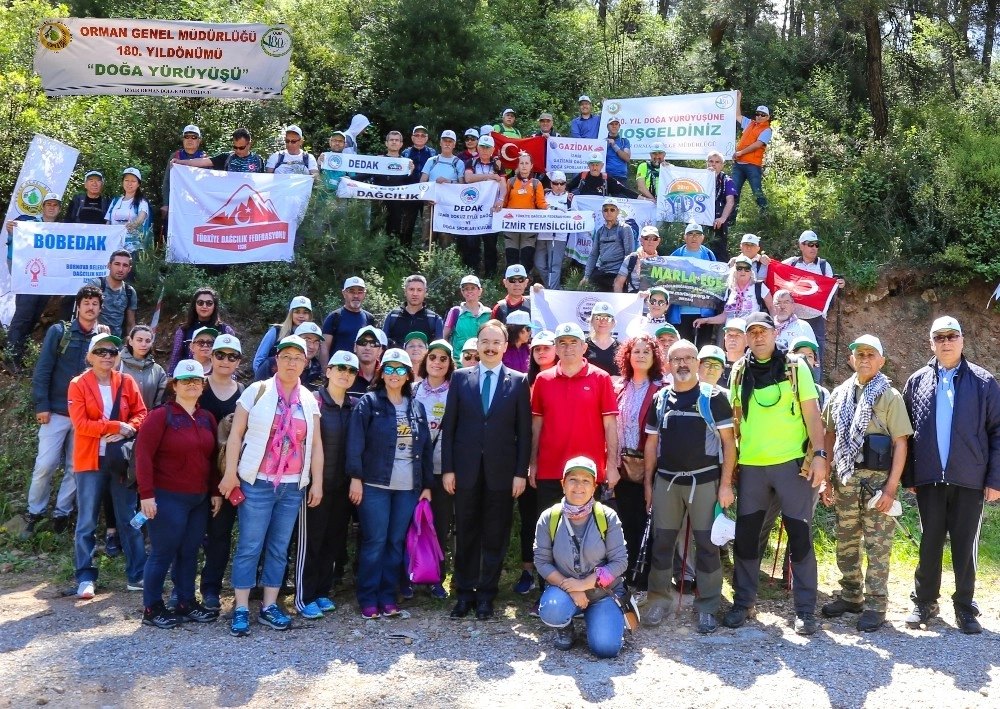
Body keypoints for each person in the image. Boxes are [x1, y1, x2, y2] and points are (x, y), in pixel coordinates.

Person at [722, 312, 828, 635]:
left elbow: (812, 415)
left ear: (774, 333)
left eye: (762, 331)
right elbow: (735, 421)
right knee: (746, 538)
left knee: (800, 537)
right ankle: (744, 602)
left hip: (792, 466)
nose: (757, 337)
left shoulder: (796, 368)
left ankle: (806, 611)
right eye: (751, 332)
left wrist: (820, 456)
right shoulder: (739, 372)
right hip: (752, 466)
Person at [219, 335, 324, 637]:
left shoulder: (309, 399)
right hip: (258, 482)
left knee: (279, 548)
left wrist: (316, 482)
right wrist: (230, 474)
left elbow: (315, 444)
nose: (292, 362)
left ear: (306, 363)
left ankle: (268, 605)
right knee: (251, 545)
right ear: (276, 360)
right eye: (286, 356)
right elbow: (236, 434)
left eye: (298, 358)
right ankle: (240, 608)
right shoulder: (257, 390)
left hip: (293, 486)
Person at [901, 316, 1000, 634]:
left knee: (965, 546)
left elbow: (997, 432)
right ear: (931, 343)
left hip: (970, 479)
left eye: (951, 336)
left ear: (962, 340)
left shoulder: (983, 382)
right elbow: (905, 435)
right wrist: (910, 477)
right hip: (929, 479)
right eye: (939, 337)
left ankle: (965, 607)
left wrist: (995, 479)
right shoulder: (916, 382)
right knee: (928, 543)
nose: (946, 342)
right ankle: (925, 601)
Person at [820, 335, 913, 632]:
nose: (864, 359)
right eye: (859, 354)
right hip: (846, 478)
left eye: (871, 354)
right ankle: (851, 596)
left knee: (878, 545)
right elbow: (829, 437)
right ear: (851, 359)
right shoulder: (839, 395)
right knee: (845, 541)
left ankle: (875, 605)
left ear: (881, 360)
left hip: (877, 482)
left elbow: (901, 444)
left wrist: (890, 489)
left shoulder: (890, 396)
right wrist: (828, 480)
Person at [643, 340, 736, 632]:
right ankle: (658, 600)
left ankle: (707, 605)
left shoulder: (714, 397)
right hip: (667, 482)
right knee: (662, 544)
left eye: (688, 358)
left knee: (708, 546)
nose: (682, 364)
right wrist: (648, 483)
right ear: (668, 365)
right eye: (676, 359)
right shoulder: (659, 399)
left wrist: (726, 485)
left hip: (705, 482)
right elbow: (651, 444)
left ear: (697, 362)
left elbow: (729, 445)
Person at [441, 320, 531, 620]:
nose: (490, 347)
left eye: (496, 342)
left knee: (495, 534)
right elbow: (449, 427)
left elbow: (525, 433)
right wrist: (448, 469)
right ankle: (464, 593)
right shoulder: (459, 378)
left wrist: (520, 472)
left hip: (502, 474)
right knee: (466, 533)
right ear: (477, 345)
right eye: (485, 342)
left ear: (505, 346)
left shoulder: (519, 381)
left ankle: (486, 596)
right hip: (465, 472)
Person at [346, 348, 433, 619]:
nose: (394, 374)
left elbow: (425, 449)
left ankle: (388, 596)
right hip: (374, 485)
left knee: (395, 542)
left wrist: (427, 485)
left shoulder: (416, 406)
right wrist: (356, 479)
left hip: (408, 488)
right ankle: (368, 597)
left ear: (408, 375)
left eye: (400, 370)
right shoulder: (369, 403)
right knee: (375, 541)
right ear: (382, 373)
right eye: (390, 369)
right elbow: (355, 443)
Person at [135, 359, 221, 628]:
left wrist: (215, 492)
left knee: (190, 551)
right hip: (166, 496)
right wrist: (146, 495)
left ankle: (185, 601)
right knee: (162, 552)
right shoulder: (161, 416)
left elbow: (212, 458)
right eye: (186, 380)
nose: (192, 384)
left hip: (197, 499)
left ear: (203, 385)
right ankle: (152, 607)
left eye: (197, 380)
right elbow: (143, 456)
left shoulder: (207, 418)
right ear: (175, 385)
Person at [22, 285, 106, 538]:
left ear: (100, 308)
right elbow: (43, 369)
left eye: (95, 304)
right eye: (86, 302)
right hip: (56, 411)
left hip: (86, 416)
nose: (90, 307)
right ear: (78, 305)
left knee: (74, 467)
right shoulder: (59, 332)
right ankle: (34, 512)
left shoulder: (102, 337)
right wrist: (42, 405)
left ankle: (62, 514)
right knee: (45, 465)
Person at [68, 333, 148, 598]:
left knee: (129, 518)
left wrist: (129, 430)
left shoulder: (126, 381)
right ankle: (85, 576)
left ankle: (137, 574)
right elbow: (81, 425)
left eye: (112, 351)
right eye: (100, 351)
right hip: (89, 460)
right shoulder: (78, 384)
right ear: (89, 356)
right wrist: (116, 426)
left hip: (120, 460)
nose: (107, 356)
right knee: (87, 520)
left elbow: (141, 414)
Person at [534, 456, 628, 657]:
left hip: (604, 593)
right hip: (565, 590)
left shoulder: (607, 517)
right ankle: (565, 627)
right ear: (563, 484)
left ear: (594, 487)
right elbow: (542, 562)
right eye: (573, 479)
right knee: (552, 609)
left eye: (586, 480)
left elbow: (620, 562)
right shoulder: (549, 518)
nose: (579, 486)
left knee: (606, 649)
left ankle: (604, 619)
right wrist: (573, 588)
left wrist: (585, 584)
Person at [530, 322, 619, 517]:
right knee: (549, 534)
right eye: (562, 343)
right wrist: (533, 463)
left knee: (588, 537)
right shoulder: (543, 380)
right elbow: (536, 425)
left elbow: (610, 425)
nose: (568, 347)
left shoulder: (601, 378)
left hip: (588, 472)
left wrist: (611, 466)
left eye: (573, 342)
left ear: (584, 347)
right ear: (556, 347)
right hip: (549, 470)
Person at [296, 350, 360, 619]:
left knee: (333, 541)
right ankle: (304, 596)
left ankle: (321, 591)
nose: (345, 374)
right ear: (328, 371)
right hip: (315, 486)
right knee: (311, 542)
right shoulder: (312, 401)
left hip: (343, 487)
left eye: (351, 370)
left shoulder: (356, 405)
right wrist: (314, 482)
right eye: (340, 368)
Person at [612, 334, 665, 605]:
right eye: (636, 351)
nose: (641, 355)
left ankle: (649, 579)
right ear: (627, 356)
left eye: (647, 351)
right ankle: (631, 574)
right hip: (623, 466)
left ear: (655, 357)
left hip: (652, 466)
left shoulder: (662, 388)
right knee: (629, 522)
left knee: (651, 522)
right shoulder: (617, 386)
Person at [197, 333, 245, 610]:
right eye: (220, 355)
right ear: (211, 356)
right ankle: (189, 588)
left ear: (239, 361)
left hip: (232, 475)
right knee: (195, 534)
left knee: (221, 534)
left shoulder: (245, 393)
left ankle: (214, 588)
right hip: (198, 471)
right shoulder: (197, 388)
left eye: (232, 356)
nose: (225, 361)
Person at [413, 339, 456, 598]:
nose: (437, 363)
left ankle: (436, 577)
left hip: (443, 468)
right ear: (425, 360)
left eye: (443, 358)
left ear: (450, 363)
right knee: (410, 522)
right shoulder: (413, 389)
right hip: (413, 468)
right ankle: (408, 574)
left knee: (439, 524)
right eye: (433, 357)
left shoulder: (458, 389)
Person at [5, 192, 64, 364]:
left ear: (59, 209)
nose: (52, 207)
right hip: (27, 280)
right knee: (23, 316)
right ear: (43, 207)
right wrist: (11, 233)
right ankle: (10, 357)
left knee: (34, 317)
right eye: (49, 204)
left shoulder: (62, 229)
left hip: (46, 283)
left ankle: (20, 355)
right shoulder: (28, 225)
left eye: (55, 205)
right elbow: (12, 250)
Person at [781, 230, 844, 372]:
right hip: (794, 319)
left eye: (816, 245)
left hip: (816, 319)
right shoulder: (791, 263)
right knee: (791, 353)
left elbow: (831, 288)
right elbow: (774, 268)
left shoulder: (823, 265)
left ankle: (817, 389)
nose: (814, 248)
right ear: (801, 246)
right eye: (810, 244)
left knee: (816, 356)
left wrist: (840, 284)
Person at [666, 222, 717, 348]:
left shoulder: (709, 256)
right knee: (681, 348)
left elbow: (717, 282)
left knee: (702, 349)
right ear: (684, 237)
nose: (694, 237)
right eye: (690, 234)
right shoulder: (675, 255)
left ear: (702, 237)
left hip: (704, 313)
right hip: (680, 313)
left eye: (697, 234)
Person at [462, 134, 506, 276]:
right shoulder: (471, 162)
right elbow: (468, 178)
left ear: (493, 149)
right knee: (471, 243)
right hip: (473, 211)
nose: (485, 150)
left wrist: (501, 199)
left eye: (488, 148)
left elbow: (503, 184)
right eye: (482, 147)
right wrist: (489, 177)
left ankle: (490, 275)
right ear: (478, 147)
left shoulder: (498, 164)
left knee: (490, 244)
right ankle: (472, 273)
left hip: (491, 210)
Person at [167, 287, 236, 376]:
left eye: (209, 303)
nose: (204, 306)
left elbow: (232, 358)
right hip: (188, 378)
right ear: (194, 305)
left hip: (218, 379)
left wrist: (232, 379)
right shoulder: (183, 330)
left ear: (214, 306)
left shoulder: (225, 330)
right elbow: (175, 359)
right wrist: (171, 380)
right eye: (200, 303)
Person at [693, 255, 772, 330]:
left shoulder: (759, 286)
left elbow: (772, 308)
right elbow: (725, 316)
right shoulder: (730, 290)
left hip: (750, 333)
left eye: (747, 268)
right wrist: (706, 320)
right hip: (731, 333)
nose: (743, 271)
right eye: (739, 268)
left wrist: (775, 326)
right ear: (734, 270)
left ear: (751, 272)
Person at [502, 153, 548, 268]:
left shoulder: (536, 183)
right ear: (518, 165)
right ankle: (510, 283)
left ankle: (526, 282)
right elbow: (504, 202)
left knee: (526, 257)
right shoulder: (510, 182)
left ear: (531, 165)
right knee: (511, 257)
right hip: (511, 225)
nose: (524, 166)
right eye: (521, 163)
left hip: (528, 226)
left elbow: (541, 203)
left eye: (527, 163)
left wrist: (553, 208)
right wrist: (495, 207)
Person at [730, 93, 772, 221]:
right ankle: (731, 221)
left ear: (768, 117)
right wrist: (738, 99)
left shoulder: (767, 130)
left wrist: (741, 153)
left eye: (763, 115)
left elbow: (758, 144)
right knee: (733, 193)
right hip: (739, 165)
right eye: (758, 114)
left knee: (757, 193)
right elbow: (737, 115)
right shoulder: (750, 123)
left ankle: (766, 219)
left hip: (753, 166)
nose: (759, 116)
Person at [581, 199, 635, 292]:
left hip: (618, 273)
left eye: (612, 210)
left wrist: (623, 277)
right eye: (606, 210)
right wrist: (586, 276)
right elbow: (594, 255)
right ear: (602, 212)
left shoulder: (624, 229)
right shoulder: (600, 231)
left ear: (618, 211)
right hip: (603, 271)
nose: (608, 212)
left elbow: (629, 255)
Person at [322, 277, 378, 364]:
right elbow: (324, 347)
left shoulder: (369, 318)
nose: (356, 296)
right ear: (344, 293)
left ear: (364, 294)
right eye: (351, 291)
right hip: (338, 370)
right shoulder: (334, 317)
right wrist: (325, 370)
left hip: (361, 373)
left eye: (360, 292)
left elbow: (374, 347)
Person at [255, 322, 325, 390]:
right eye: (307, 340)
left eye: (316, 342)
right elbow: (256, 392)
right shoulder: (271, 364)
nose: (312, 346)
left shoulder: (316, 369)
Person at [253, 296, 314, 372]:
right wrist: (261, 378)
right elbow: (259, 359)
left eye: (305, 313)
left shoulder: (313, 337)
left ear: (310, 315)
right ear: (291, 313)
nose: (301, 316)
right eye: (297, 312)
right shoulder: (276, 331)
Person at [161, 125, 207, 224]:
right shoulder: (175, 156)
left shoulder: (205, 159)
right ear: (183, 140)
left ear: (199, 141)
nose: (190, 140)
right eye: (186, 137)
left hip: (198, 206)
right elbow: (167, 182)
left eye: (194, 137)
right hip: (177, 205)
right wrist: (166, 204)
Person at [400, 126, 437, 246]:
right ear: (412, 137)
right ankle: (404, 251)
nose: (420, 137)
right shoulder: (406, 153)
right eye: (417, 135)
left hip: (427, 193)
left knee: (429, 224)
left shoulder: (432, 153)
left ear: (427, 138)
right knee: (406, 224)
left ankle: (428, 254)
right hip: (410, 193)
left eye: (423, 135)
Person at [383, 274, 444, 347]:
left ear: (425, 293)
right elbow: (382, 346)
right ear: (405, 292)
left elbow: (438, 350)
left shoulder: (434, 319)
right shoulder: (393, 316)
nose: (415, 294)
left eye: (419, 290)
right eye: (411, 289)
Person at [87, 250, 137, 339]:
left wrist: (130, 342)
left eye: (125, 265)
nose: (120, 269)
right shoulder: (96, 284)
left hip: (116, 342)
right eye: (117, 264)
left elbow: (130, 324)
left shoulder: (130, 292)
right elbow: (86, 312)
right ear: (109, 265)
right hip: (92, 339)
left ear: (129, 269)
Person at [535, 171, 572, 289]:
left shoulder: (570, 198)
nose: (559, 186)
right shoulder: (544, 195)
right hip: (542, 234)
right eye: (556, 183)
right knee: (539, 264)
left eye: (562, 183)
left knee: (554, 265)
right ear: (551, 184)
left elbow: (576, 215)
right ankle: (555, 289)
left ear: (566, 185)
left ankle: (552, 291)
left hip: (559, 236)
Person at [172, 127, 265, 173]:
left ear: (249, 144)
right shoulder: (227, 158)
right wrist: (180, 162)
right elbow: (202, 162)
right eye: (235, 147)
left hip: (251, 204)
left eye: (241, 147)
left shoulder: (258, 160)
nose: (238, 150)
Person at [443, 275, 491, 362]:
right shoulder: (455, 312)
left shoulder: (488, 313)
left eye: (473, 288)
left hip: (483, 362)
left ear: (480, 291)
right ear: (462, 292)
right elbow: (444, 337)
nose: (469, 291)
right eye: (466, 288)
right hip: (459, 363)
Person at [119, 324, 167, 410]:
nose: (144, 344)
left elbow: (160, 402)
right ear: (130, 341)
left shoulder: (158, 370)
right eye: (139, 340)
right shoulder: (117, 365)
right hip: (122, 420)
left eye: (148, 341)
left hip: (149, 420)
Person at [105, 168, 151, 254]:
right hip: (114, 246)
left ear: (138, 184)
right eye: (126, 180)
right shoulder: (115, 201)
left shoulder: (142, 202)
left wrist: (133, 224)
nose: (129, 183)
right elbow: (108, 223)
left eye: (133, 181)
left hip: (134, 248)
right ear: (122, 182)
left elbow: (141, 218)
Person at [705, 150, 737, 262]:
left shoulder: (727, 181)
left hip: (717, 223)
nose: (713, 164)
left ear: (722, 165)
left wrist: (723, 218)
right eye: (711, 161)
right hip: (699, 222)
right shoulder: (698, 177)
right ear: (707, 163)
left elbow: (730, 201)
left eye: (717, 162)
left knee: (719, 252)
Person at [615, 225, 661, 294]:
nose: (651, 241)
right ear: (641, 240)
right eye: (647, 238)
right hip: (632, 300)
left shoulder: (662, 262)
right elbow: (618, 284)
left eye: (654, 238)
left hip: (653, 302)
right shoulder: (631, 259)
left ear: (658, 241)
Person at [568, 154, 638, 198]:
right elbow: (567, 188)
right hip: (584, 213)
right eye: (592, 165)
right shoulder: (582, 176)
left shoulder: (606, 178)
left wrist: (643, 199)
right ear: (588, 165)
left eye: (597, 165)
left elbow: (623, 190)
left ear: (602, 166)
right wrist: (568, 195)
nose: (594, 168)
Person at [772, 289, 817, 354]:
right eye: (778, 303)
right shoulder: (769, 327)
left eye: (786, 302)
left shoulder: (803, 326)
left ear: (793, 306)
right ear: (773, 306)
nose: (782, 306)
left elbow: (814, 354)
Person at [584, 301, 620, 376]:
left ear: (613, 323)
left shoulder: (621, 348)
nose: (603, 321)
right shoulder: (583, 346)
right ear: (591, 321)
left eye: (608, 318)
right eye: (598, 317)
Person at [351, 325, 388, 394]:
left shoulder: (388, 375)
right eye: (362, 342)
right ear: (355, 347)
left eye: (373, 343)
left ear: (380, 350)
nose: (367, 348)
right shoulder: (345, 373)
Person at [722, 318, 748, 384]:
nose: (732, 339)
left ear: (747, 341)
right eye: (729, 335)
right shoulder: (717, 360)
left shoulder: (750, 364)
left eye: (737, 335)